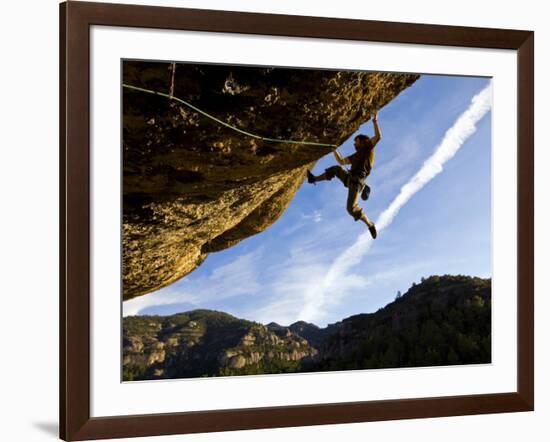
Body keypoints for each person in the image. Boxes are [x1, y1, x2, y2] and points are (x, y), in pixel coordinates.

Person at [306, 112, 381, 239]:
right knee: (336, 168)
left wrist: (375, 122)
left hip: (357, 182)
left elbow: (378, 137)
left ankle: (369, 224)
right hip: (350, 178)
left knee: (351, 209)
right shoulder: (355, 156)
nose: (354, 143)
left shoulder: (367, 148)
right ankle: (313, 179)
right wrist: (334, 149)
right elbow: (341, 161)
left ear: (362, 142)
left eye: (356, 141)